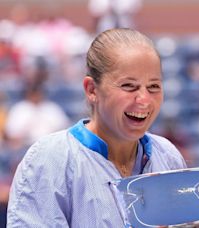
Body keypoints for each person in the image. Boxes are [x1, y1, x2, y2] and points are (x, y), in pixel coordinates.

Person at [7, 28, 187, 227]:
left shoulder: (168, 157)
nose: (144, 99)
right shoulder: (49, 160)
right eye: (129, 86)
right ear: (92, 90)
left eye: (153, 86)